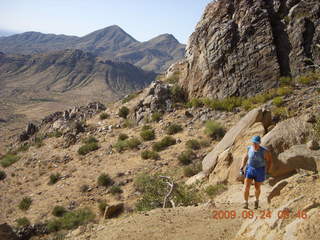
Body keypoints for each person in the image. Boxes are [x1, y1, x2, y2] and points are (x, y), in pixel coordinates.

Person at [239, 136, 272, 209]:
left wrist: (268, 172)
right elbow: (245, 157)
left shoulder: (264, 151)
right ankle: (245, 202)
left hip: (260, 170)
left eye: (256, 143)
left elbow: (269, 161)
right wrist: (242, 166)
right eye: (253, 142)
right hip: (250, 168)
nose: (254, 144)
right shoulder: (249, 148)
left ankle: (256, 200)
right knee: (246, 186)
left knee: (257, 187)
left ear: (259, 143)